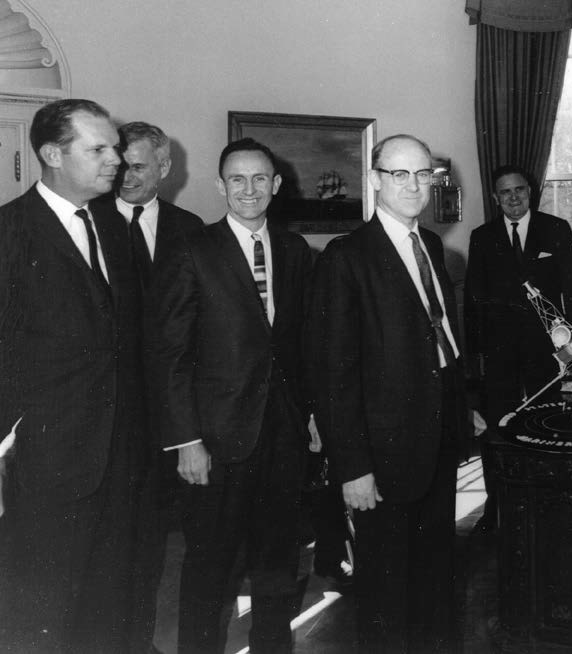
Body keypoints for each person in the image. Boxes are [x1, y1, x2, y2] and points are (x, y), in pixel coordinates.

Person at [147, 138, 315, 653]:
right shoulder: (192, 250)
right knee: (209, 572)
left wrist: (310, 416)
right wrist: (185, 440)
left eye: (260, 179)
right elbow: (169, 354)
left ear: (276, 185)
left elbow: (302, 342)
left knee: (278, 566)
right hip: (216, 443)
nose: (249, 190)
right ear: (221, 186)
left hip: (282, 438)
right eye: (237, 180)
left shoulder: (294, 250)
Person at [310, 134, 468, 652]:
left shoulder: (432, 246)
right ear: (375, 180)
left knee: (433, 578)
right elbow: (334, 375)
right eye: (400, 174)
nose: (414, 185)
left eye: (423, 174)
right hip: (382, 456)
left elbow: (437, 343)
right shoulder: (346, 257)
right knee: (384, 593)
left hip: (437, 444)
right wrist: (353, 466)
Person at [0, 98, 145, 652]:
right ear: (52, 154)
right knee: (41, 610)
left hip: (117, 457)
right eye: (100, 149)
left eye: (115, 147)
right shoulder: (11, 231)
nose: (117, 159)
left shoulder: (110, 225)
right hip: (45, 462)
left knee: (106, 608)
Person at [91, 120, 203, 654]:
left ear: (165, 168)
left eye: (137, 166)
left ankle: (139, 637)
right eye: (119, 165)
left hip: (171, 416)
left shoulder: (191, 228)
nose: (124, 177)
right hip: (109, 417)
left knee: (155, 538)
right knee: (109, 540)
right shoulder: (91, 223)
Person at [464, 164, 572, 528]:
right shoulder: (482, 236)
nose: (513, 198)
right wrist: (474, 356)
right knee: (497, 427)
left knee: (548, 422)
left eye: (519, 190)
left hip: (546, 349)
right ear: (495, 197)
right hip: (499, 352)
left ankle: (549, 499)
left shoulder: (556, 229)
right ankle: (496, 505)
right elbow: (473, 300)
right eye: (505, 192)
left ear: (529, 192)